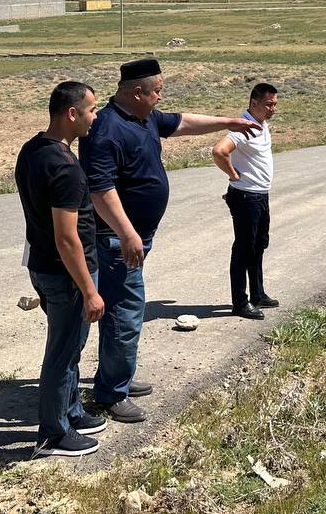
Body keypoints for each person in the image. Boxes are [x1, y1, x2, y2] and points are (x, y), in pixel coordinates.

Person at [81, 57, 260, 424]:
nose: (161, 97)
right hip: (117, 241)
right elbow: (100, 190)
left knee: (126, 311)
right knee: (124, 313)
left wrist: (229, 122)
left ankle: (118, 376)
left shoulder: (144, 117)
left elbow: (183, 122)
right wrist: (127, 233)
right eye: (157, 91)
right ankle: (111, 393)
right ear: (137, 92)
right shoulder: (106, 130)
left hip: (133, 238)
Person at [15, 80, 106, 459]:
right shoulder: (65, 167)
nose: (95, 117)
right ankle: (53, 435)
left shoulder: (32, 150)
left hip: (43, 267)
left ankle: (71, 412)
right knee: (62, 353)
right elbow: (67, 238)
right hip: (66, 274)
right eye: (91, 110)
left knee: (70, 348)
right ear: (72, 114)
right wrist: (89, 290)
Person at [212, 83, 279, 320]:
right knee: (243, 249)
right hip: (246, 196)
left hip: (259, 194)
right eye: (268, 104)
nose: (272, 109)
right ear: (254, 103)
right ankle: (240, 302)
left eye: (275, 104)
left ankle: (257, 294)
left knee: (258, 245)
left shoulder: (261, 124)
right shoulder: (243, 128)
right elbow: (219, 151)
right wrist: (233, 176)